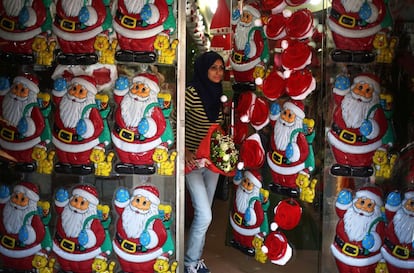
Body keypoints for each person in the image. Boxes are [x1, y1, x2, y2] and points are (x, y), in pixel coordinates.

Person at [184, 51, 225, 273]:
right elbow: (174, 119)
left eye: (221, 68)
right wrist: (184, 149)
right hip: (191, 162)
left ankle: (195, 259)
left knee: (204, 214)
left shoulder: (218, 95)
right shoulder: (191, 93)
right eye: (213, 68)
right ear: (203, 69)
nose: (218, 72)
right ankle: (190, 261)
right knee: (205, 214)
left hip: (210, 162)